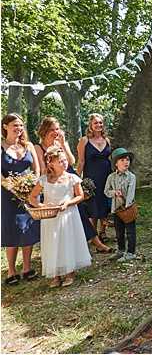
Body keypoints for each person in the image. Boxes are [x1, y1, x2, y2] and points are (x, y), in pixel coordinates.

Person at [35, 116, 113, 253]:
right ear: (44, 131)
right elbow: (42, 170)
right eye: (52, 129)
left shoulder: (59, 143)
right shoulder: (39, 147)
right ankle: (68, 248)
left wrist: (64, 144)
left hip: (69, 179)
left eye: (57, 129)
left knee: (81, 211)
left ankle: (96, 243)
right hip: (54, 184)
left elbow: (71, 161)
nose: (56, 132)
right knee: (64, 216)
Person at [29, 146, 92, 288]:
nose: (64, 163)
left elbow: (80, 196)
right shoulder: (44, 180)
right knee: (53, 243)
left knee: (67, 242)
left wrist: (68, 202)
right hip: (50, 218)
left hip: (68, 216)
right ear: (51, 163)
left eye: (65, 160)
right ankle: (55, 274)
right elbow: (32, 197)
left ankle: (70, 272)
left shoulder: (72, 178)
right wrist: (42, 206)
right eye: (60, 161)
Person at [1, 114, 41, 285]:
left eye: (20, 125)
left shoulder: (29, 145)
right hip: (8, 194)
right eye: (15, 125)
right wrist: (14, 188)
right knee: (12, 230)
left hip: (29, 194)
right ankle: (11, 271)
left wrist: (32, 188)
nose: (18, 128)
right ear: (5, 127)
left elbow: (37, 169)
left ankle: (26, 267)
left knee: (28, 229)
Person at [77, 113, 112, 242]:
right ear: (90, 125)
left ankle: (103, 232)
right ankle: (93, 234)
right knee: (93, 205)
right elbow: (81, 161)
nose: (99, 125)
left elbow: (109, 159)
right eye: (96, 123)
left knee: (105, 202)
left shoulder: (107, 140)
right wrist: (76, 179)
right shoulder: (84, 141)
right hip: (91, 177)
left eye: (100, 122)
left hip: (106, 175)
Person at [105, 148, 138, 262]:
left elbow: (131, 194)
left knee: (130, 231)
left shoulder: (131, 177)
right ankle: (121, 250)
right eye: (122, 160)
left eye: (127, 159)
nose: (126, 162)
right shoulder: (111, 177)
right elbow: (106, 191)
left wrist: (127, 206)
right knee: (119, 232)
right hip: (116, 209)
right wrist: (114, 193)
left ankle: (131, 252)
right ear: (116, 163)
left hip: (127, 209)